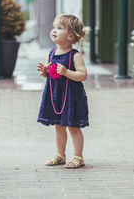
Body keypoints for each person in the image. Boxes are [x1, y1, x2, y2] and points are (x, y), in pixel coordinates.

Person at [37, 14, 89, 169]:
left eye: (59, 28)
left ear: (70, 36)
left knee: (73, 127)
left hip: (71, 97)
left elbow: (82, 75)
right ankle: (60, 154)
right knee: (58, 126)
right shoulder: (51, 53)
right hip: (55, 96)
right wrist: (46, 71)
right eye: (54, 27)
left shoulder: (75, 55)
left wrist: (67, 72)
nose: (54, 30)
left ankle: (78, 156)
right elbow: (51, 73)